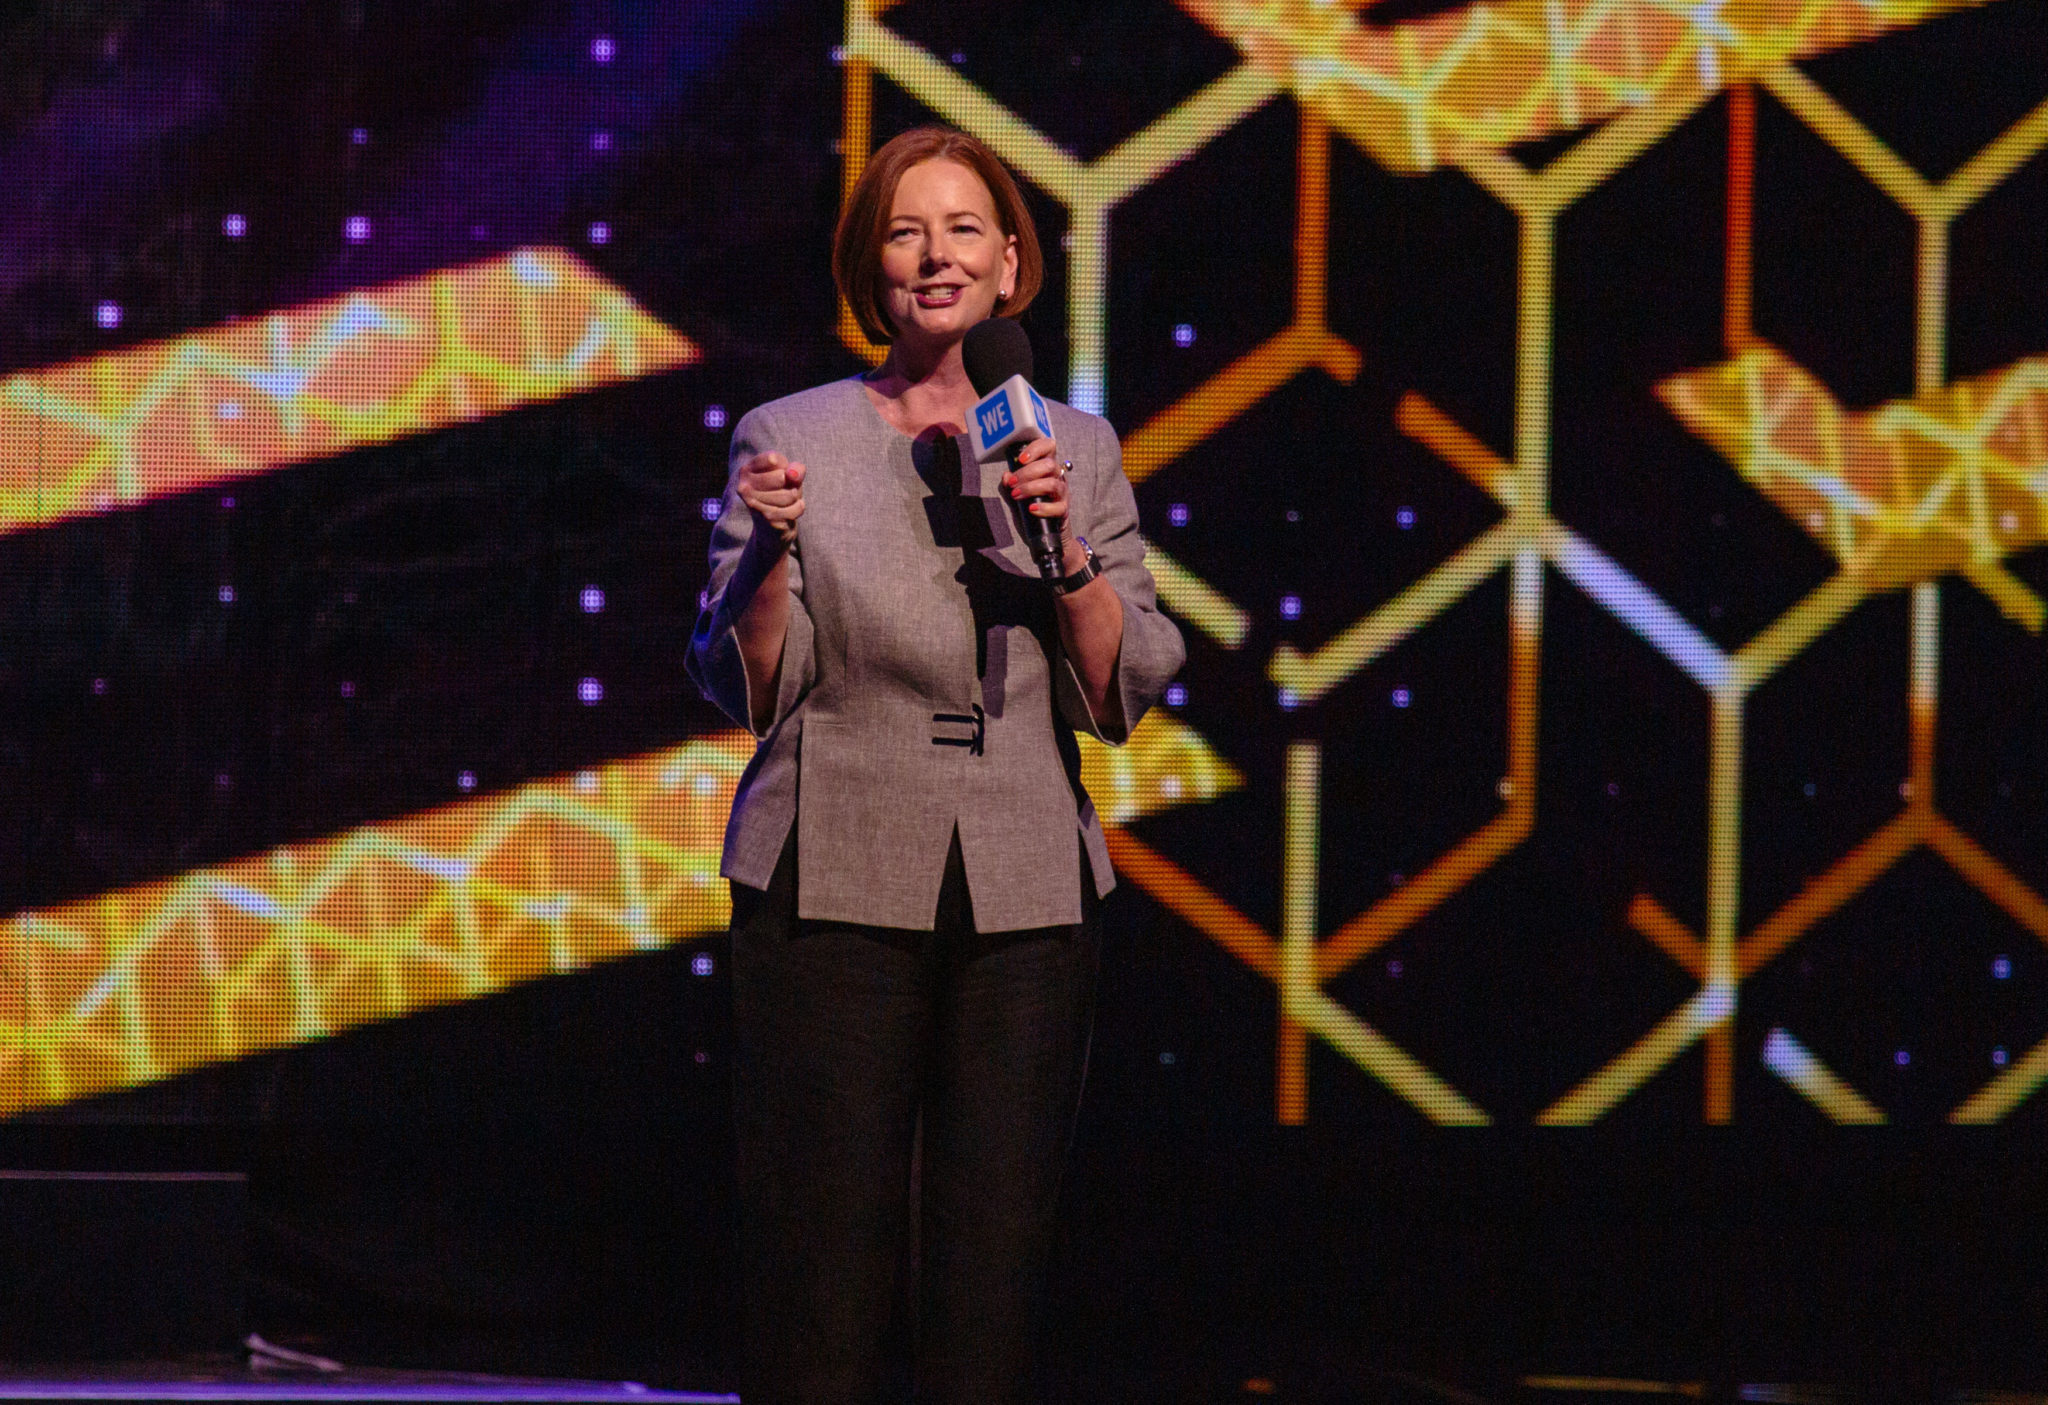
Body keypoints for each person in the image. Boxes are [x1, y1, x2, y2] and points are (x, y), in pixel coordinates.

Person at [686, 125, 1184, 1404]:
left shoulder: (1070, 447)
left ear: (1011, 262)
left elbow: (1123, 685)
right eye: (906, 232)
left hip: (1024, 882)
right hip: (832, 868)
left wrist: (1059, 545)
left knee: (990, 1257)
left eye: (964, 229)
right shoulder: (786, 433)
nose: (935, 254)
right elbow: (748, 681)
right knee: (822, 1255)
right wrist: (766, 558)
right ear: (871, 266)